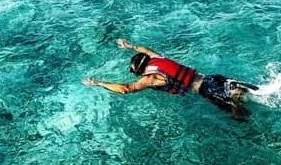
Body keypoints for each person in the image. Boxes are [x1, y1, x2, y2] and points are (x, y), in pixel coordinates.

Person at [82, 38, 258, 121]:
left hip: (206, 90)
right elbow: (145, 50)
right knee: (253, 93)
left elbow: (126, 89)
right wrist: (129, 46)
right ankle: (234, 89)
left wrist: (99, 83)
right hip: (211, 78)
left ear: (141, 70)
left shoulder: (151, 77)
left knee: (239, 116)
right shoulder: (156, 58)